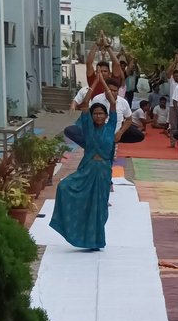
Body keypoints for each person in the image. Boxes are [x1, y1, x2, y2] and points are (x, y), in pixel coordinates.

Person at [50, 84, 131, 250]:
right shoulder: (87, 126)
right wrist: (96, 83)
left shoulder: (110, 127)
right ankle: (75, 232)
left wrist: (107, 91)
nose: (98, 116)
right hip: (87, 169)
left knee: (100, 206)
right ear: (92, 116)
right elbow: (85, 103)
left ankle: (96, 241)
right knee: (64, 187)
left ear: (107, 115)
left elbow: (113, 103)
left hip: (103, 171)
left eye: (101, 113)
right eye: (96, 114)